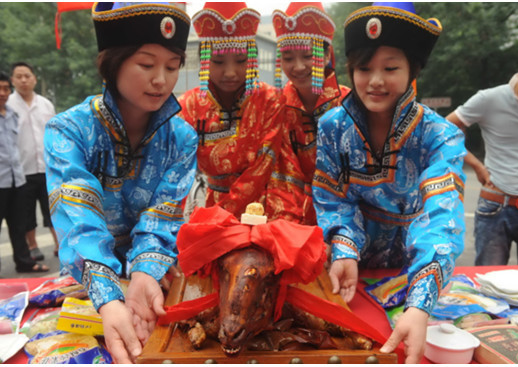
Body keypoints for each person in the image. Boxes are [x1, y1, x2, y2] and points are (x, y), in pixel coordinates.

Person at [312, 3, 466, 363]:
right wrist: (346, 249)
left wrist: (421, 299)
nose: (375, 80)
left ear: (413, 69)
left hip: (416, 264)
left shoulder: (440, 135)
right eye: (364, 68)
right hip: (351, 267)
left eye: (391, 68)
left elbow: (441, 215)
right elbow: (333, 199)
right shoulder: (333, 126)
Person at [44, 2, 197, 363]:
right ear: (113, 62)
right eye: (146, 64)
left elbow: (163, 214)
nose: (161, 79)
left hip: (155, 276)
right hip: (87, 275)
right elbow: (78, 214)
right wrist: (107, 297)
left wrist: (146, 270)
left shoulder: (182, 137)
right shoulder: (69, 130)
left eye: (172, 66)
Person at [178, 2, 305, 222]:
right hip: (212, 206)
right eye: (218, 62)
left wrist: (223, 216)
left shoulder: (270, 100)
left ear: (253, 61)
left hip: (267, 203)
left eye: (241, 61)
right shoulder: (187, 106)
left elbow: (263, 165)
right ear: (204, 60)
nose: (230, 72)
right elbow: (178, 172)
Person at [446, 30, 518, 266]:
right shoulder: (489, 99)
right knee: (488, 288)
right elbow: (445, 129)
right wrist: (475, 165)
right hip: (496, 207)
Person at [272, 2, 350, 225]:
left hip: (347, 212)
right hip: (294, 212)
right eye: (288, 58)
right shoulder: (277, 109)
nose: (297, 67)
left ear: (326, 55)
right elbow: (282, 177)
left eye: (307, 56)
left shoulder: (348, 103)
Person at [0, 72, 50, 274]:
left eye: (5, 89)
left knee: (18, 225)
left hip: (16, 179)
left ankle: (24, 262)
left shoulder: (12, 115)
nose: (3, 93)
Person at [8, 61, 58, 260]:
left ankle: (58, 244)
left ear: (34, 79)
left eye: (27, 75)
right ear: (12, 80)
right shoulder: (8, 106)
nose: (23, 80)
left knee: (53, 209)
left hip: (47, 168)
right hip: (22, 170)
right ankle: (33, 246)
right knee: (26, 212)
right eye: (18, 76)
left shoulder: (46, 104)